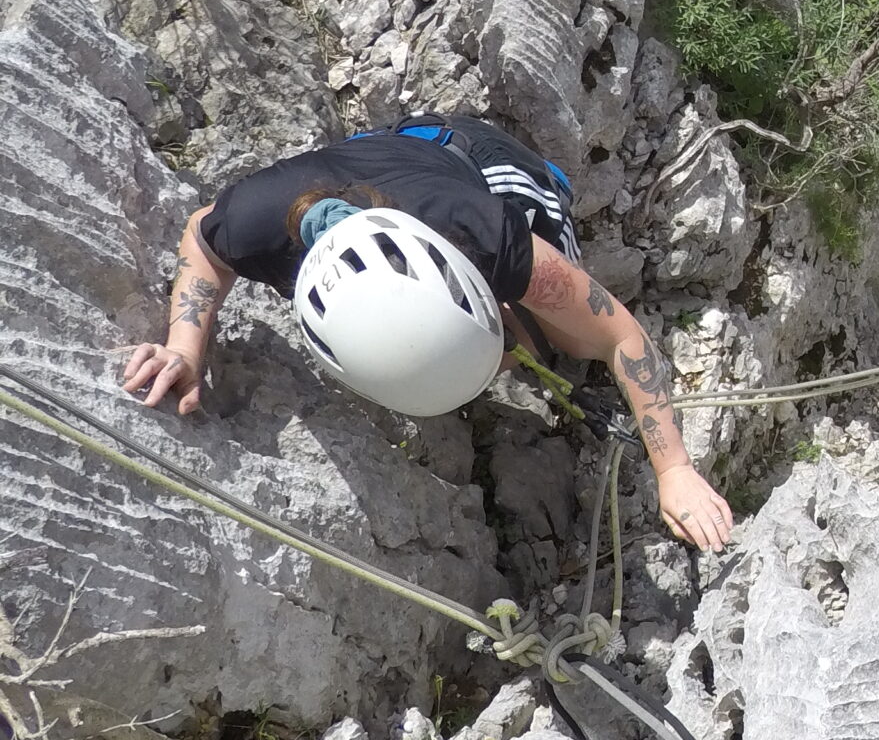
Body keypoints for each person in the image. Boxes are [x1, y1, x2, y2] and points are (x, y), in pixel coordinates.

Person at [119, 112, 734, 552]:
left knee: (568, 342)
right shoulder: (259, 219)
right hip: (385, 154)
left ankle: (538, 205)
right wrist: (185, 347)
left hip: (482, 164)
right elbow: (204, 240)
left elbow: (619, 337)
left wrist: (674, 468)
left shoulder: (484, 231)